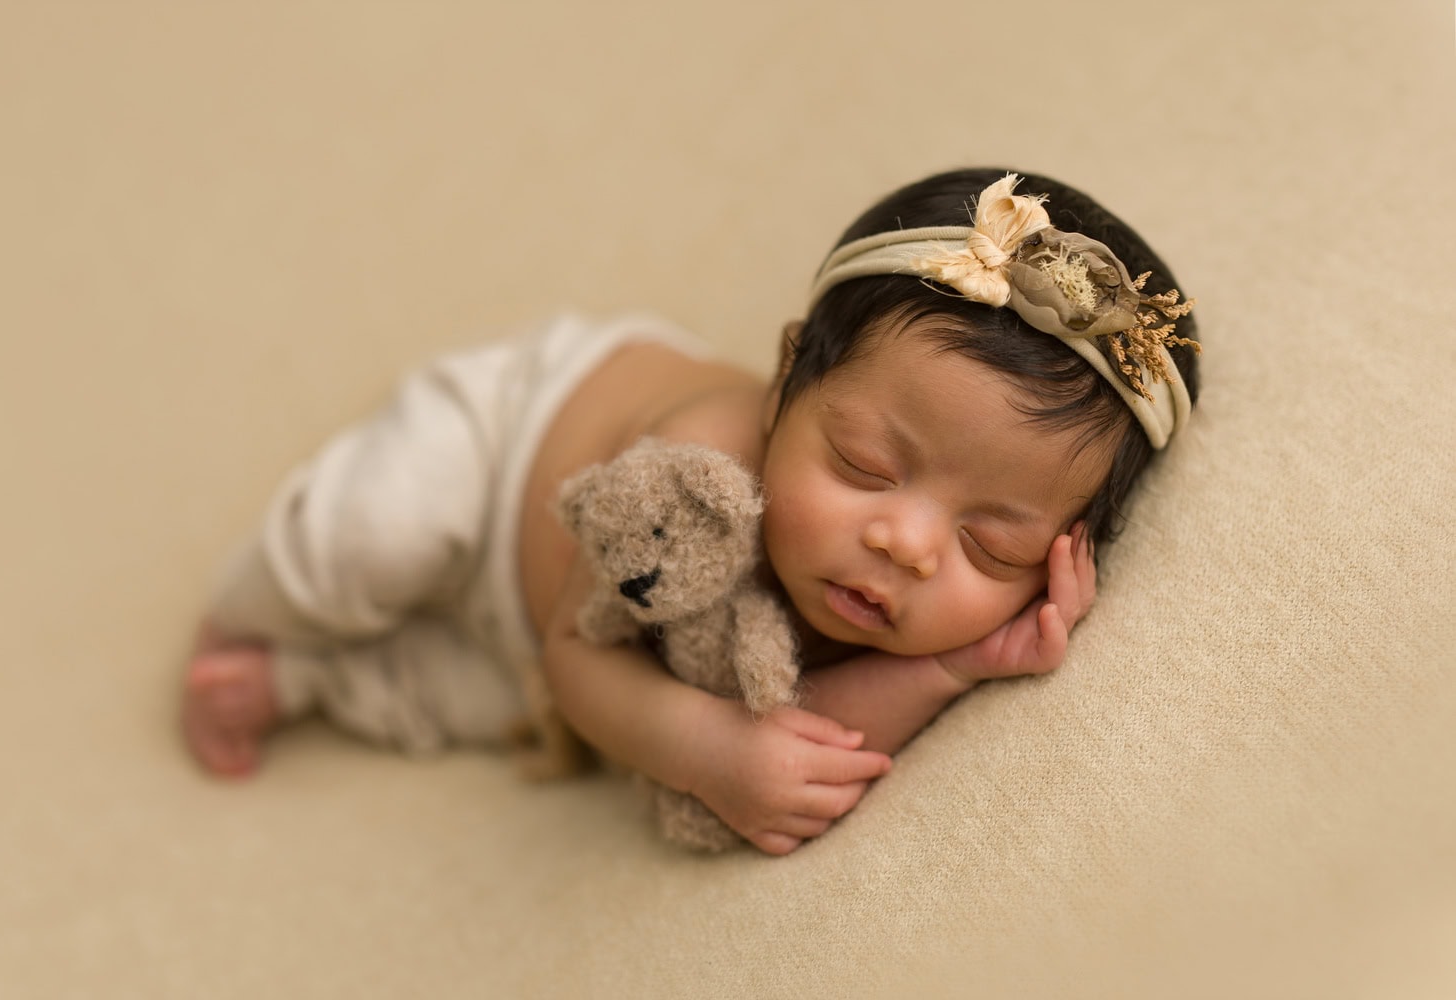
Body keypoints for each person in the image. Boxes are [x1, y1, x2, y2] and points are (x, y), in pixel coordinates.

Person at [182, 167, 1200, 855]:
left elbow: (807, 741)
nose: (906, 544)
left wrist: (953, 666)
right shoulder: (703, 463)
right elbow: (584, 656)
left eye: (992, 541)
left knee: (480, 703)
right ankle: (254, 613)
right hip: (508, 457)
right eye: (864, 464)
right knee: (379, 529)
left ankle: (311, 678)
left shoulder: (914, 614)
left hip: (537, 641)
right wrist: (706, 752)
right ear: (785, 374)